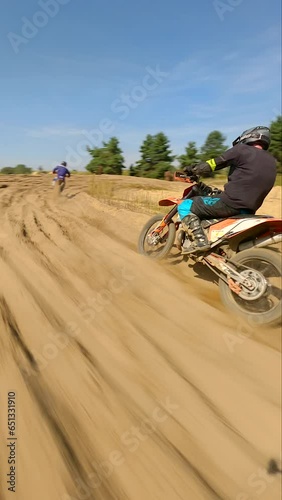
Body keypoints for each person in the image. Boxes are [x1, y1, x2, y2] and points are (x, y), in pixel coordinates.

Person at [178, 126, 277, 254]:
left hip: (230, 203)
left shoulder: (241, 149)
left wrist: (193, 169)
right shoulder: (271, 161)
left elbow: (214, 163)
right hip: (249, 209)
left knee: (185, 206)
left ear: (249, 137)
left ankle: (200, 241)